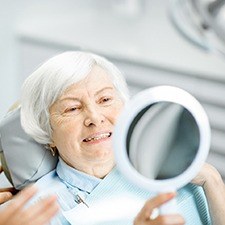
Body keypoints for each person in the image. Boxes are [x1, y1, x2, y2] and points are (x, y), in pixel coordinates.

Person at [18, 51, 225, 225]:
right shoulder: (38, 208)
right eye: (72, 108)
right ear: (47, 132)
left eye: (105, 99)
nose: (95, 118)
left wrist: (213, 181)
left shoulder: (172, 170)